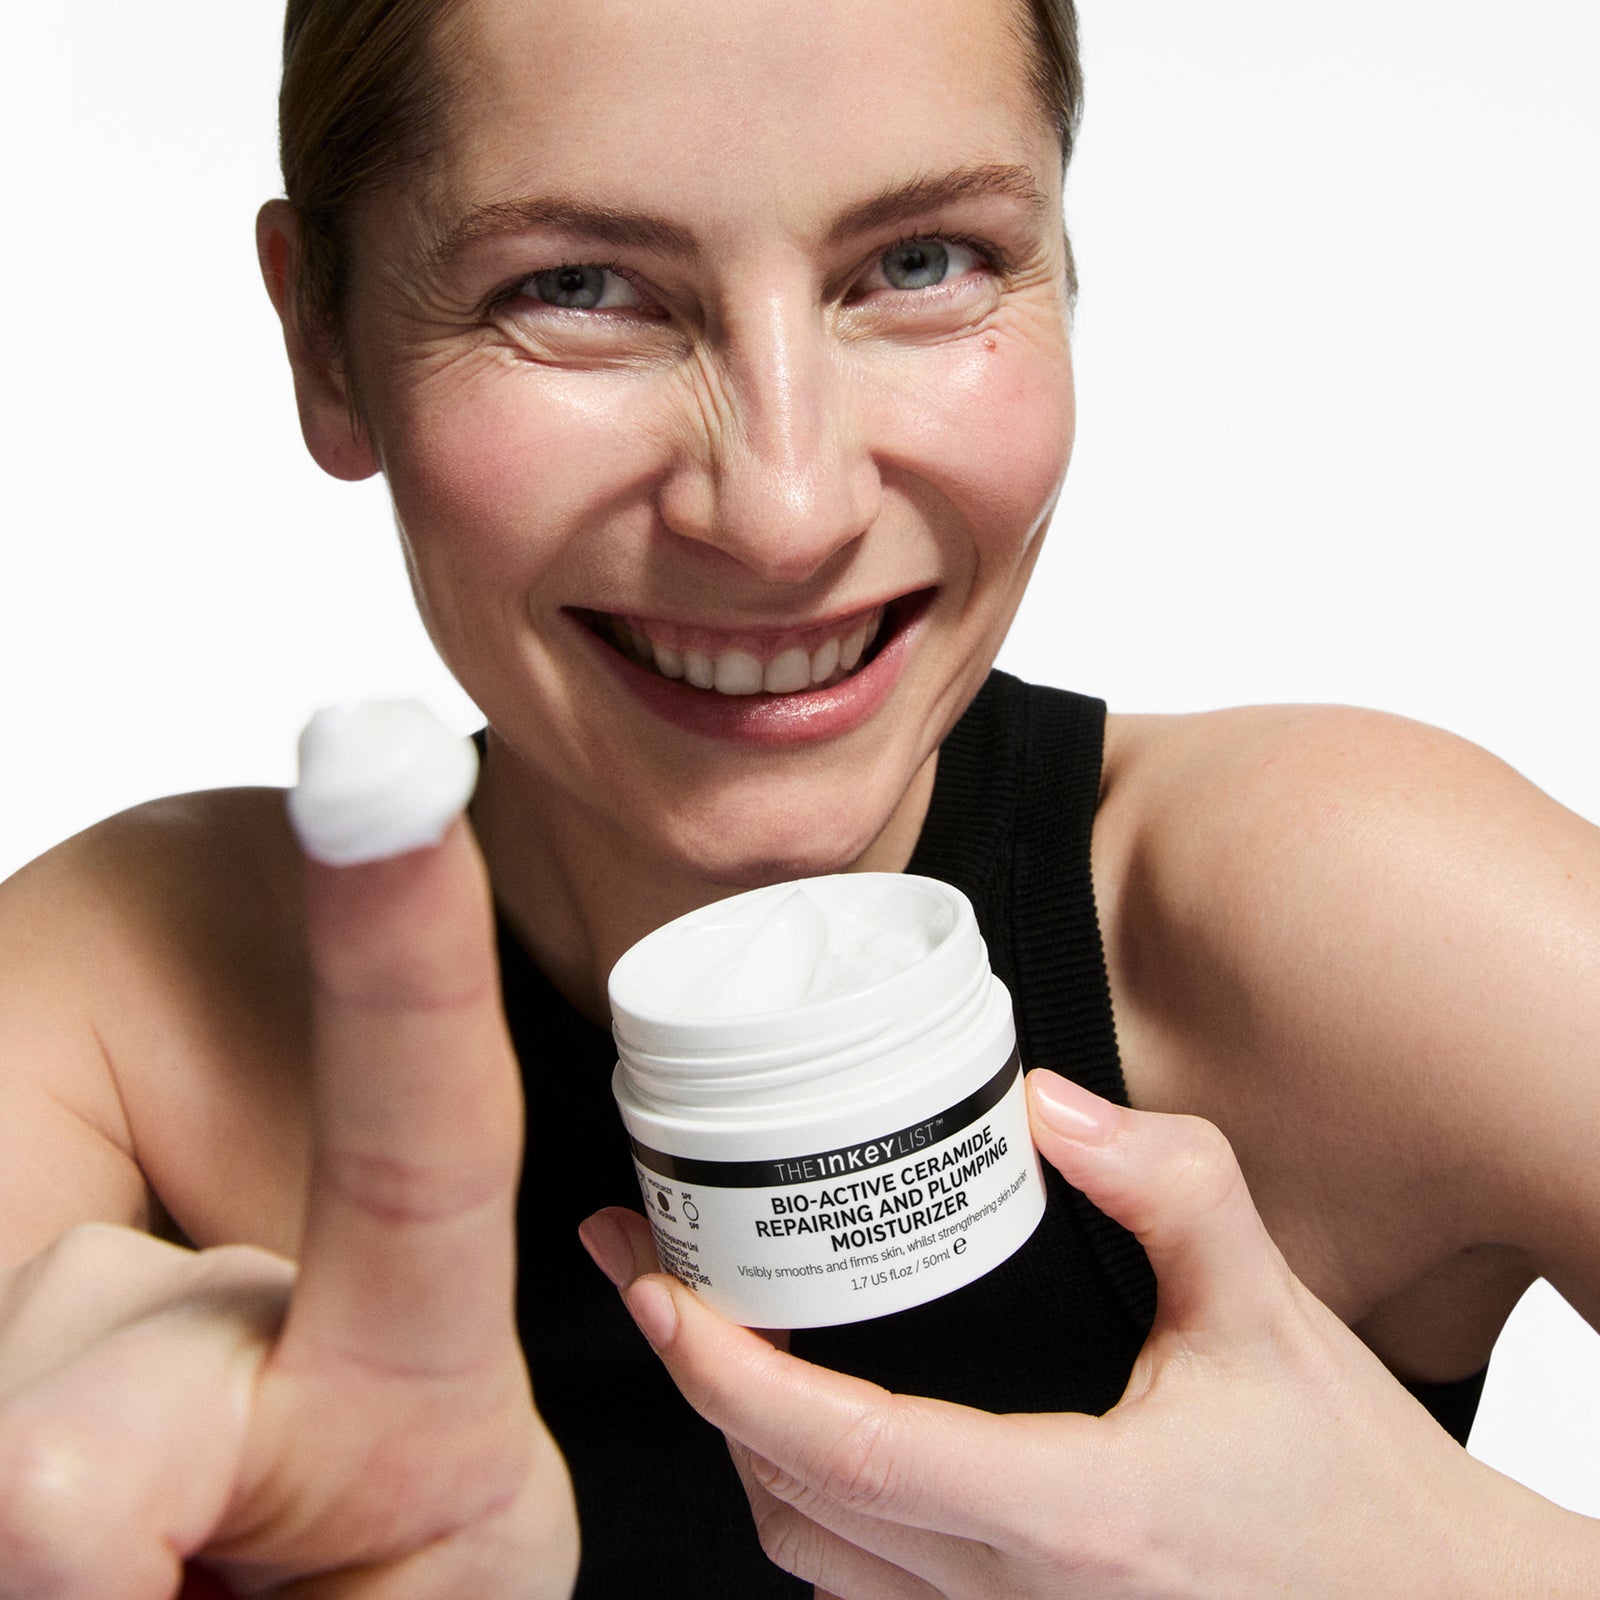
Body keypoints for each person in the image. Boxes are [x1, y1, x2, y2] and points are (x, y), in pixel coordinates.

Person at [1, 2, 1597, 1598]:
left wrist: (1446, 1571)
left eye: (922, 262)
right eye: (577, 288)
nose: (781, 512)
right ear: (325, 346)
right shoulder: (118, 1023)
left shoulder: (1356, 909)